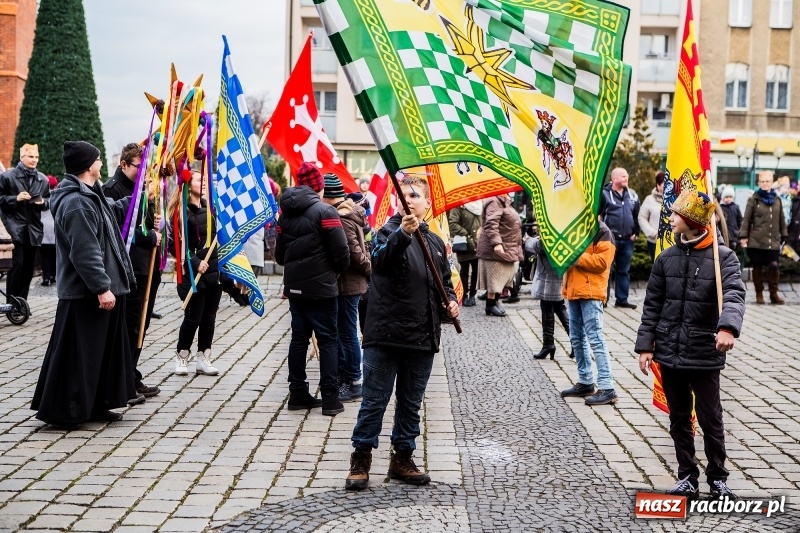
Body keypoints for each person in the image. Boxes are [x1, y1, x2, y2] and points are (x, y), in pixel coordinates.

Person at [345, 176, 458, 491]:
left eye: (416, 195)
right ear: (397, 202)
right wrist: (403, 234)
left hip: (422, 336)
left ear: (426, 204)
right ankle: (361, 458)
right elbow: (380, 263)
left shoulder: (435, 242)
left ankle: (402, 458)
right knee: (374, 400)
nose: (409, 199)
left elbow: (443, 284)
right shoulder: (383, 233)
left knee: (411, 402)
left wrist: (449, 303)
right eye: (404, 195)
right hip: (386, 333)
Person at [636, 189, 745, 501]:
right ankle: (687, 475)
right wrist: (646, 346)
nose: (669, 219)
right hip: (669, 352)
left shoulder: (723, 258)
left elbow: (735, 296)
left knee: (711, 418)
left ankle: (718, 478)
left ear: (693, 220)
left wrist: (727, 328)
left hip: (704, 352)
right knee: (679, 417)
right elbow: (652, 306)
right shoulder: (665, 258)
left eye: (675, 215)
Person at [31, 141, 137, 429]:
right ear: (89, 165)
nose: (102, 162)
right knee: (81, 356)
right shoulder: (76, 202)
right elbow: (84, 250)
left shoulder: (89, 195)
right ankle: (70, 409)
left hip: (100, 290)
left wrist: (138, 196)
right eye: (99, 159)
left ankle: (97, 404)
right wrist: (102, 287)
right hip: (85, 294)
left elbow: (109, 214)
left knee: (99, 354)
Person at [275, 162, 350, 416]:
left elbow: (279, 257)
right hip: (322, 289)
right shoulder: (326, 212)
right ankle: (330, 398)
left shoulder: (284, 214)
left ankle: (297, 394)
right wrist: (336, 271)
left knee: (299, 340)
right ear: (319, 186)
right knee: (328, 340)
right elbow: (342, 252)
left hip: (295, 289)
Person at [103, 143, 163, 402]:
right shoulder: (112, 190)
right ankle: (121, 381)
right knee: (128, 327)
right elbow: (118, 230)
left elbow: (148, 223)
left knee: (141, 326)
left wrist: (157, 221)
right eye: (139, 167)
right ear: (123, 164)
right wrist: (150, 236)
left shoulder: (145, 190)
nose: (143, 172)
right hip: (129, 270)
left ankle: (131, 375)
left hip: (147, 268)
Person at [167, 162, 221, 377]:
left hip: (215, 272)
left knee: (209, 317)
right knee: (193, 317)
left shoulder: (211, 209)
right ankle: (182, 355)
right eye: (200, 180)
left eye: (205, 180)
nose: (204, 183)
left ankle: (203, 357)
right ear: (188, 185)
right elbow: (176, 245)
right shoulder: (181, 213)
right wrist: (195, 261)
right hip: (193, 275)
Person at [321, 173, 372, 403]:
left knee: (348, 333)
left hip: (348, 283)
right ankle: (347, 377)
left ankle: (354, 380)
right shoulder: (349, 211)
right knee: (345, 331)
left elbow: (353, 254)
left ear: (328, 196)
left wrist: (369, 270)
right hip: (349, 283)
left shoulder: (342, 217)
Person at [560, 220, 618, 406]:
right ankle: (585, 381)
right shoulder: (574, 228)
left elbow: (602, 262)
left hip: (591, 292)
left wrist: (576, 256)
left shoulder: (602, 231)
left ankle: (607, 387)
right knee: (576, 338)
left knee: (595, 338)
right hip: (575, 289)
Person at [0, 144, 50, 302]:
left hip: (34, 229)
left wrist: (43, 202)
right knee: (17, 264)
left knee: (29, 268)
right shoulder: (8, 176)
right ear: (22, 157)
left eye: (36, 157)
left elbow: (49, 201)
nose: (34, 160)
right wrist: (15, 198)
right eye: (30, 157)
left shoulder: (42, 179)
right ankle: (11, 301)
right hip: (14, 227)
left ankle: (21, 303)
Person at [739, 171, 787, 304]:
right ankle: (759, 294)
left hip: (773, 241)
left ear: (772, 183)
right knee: (757, 267)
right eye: (763, 181)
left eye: (768, 181)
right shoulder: (754, 199)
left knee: (774, 265)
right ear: (759, 183)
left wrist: (784, 234)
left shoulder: (777, 200)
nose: (765, 184)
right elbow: (746, 219)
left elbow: (781, 219)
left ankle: (773, 294)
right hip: (757, 240)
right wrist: (743, 236)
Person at [525, 235, 572, 359]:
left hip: (548, 276)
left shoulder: (552, 229)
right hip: (558, 273)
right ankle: (575, 342)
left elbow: (540, 246)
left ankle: (549, 344)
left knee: (547, 307)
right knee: (559, 306)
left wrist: (529, 240)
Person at [600, 167, 640, 309]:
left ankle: (622, 299)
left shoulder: (633, 195)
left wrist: (636, 232)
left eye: (626, 176)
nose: (626, 178)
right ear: (614, 178)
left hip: (628, 239)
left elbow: (637, 215)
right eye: (623, 176)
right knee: (606, 269)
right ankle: (603, 298)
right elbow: (599, 215)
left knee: (624, 271)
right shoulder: (604, 194)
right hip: (610, 239)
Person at [476, 193, 523, 316]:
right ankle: (490, 305)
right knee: (494, 278)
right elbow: (491, 224)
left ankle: (495, 302)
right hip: (495, 249)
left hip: (507, 246)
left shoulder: (505, 201)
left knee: (502, 277)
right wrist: (497, 243)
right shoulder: (494, 200)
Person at [448, 200, 482, 307]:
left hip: (478, 243)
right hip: (464, 242)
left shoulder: (480, 205)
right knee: (464, 271)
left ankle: (473, 295)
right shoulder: (458, 205)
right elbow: (453, 223)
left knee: (477, 270)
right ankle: (464, 295)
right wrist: (466, 234)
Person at [638, 171, 665, 261]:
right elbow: (641, 218)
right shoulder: (649, 199)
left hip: (672, 241)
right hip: (654, 242)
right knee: (657, 268)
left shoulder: (674, 199)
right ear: (658, 185)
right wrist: (653, 233)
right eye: (664, 184)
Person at [39, 176, 58, 286]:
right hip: (54, 228)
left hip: (43, 228)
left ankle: (46, 277)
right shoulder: (57, 195)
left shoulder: (41, 196)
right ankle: (53, 276)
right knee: (55, 255)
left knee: (44, 255)